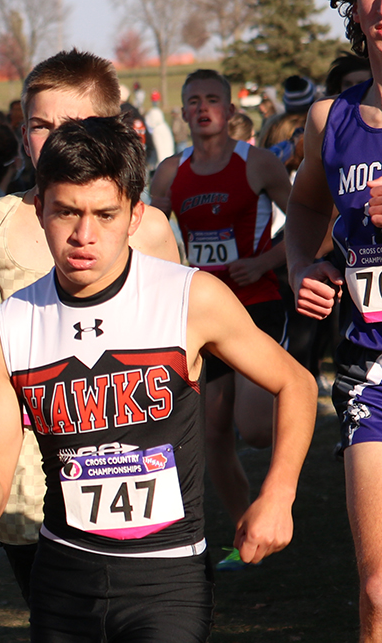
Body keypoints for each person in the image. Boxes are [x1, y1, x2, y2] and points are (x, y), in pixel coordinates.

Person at [0, 116, 317, 642]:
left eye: (104, 215)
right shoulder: (7, 328)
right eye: (66, 212)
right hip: (63, 579)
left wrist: (278, 496)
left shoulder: (189, 298)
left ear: (136, 215)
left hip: (169, 577)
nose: (84, 236)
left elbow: (296, 383)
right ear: (39, 208)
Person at [0, 49, 180, 604]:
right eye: (38, 125)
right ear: (23, 134)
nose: (49, 140)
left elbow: (183, 343)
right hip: (22, 474)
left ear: (109, 128)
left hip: (127, 461)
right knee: (62, 616)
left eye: (67, 126)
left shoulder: (148, 226)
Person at [149, 69, 293, 571]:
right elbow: (149, 235)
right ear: (183, 111)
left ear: (231, 111)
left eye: (214, 100)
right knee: (212, 431)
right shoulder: (169, 173)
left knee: (253, 429)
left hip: (257, 302)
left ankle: (282, 492)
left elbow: (307, 220)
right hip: (203, 311)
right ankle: (244, 531)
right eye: (194, 101)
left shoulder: (259, 164)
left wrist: (266, 260)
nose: (204, 108)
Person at [286, 1, 382, 639]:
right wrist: (305, 273)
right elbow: (304, 213)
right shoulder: (332, 118)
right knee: (376, 588)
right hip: (367, 367)